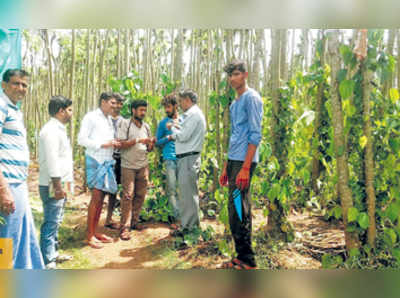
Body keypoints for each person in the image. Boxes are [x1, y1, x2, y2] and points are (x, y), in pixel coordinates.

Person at [219, 60, 263, 270]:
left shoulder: (252, 98)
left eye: (235, 74)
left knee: (239, 207)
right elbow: (235, 135)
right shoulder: (235, 103)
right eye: (229, 75)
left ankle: (248, 259)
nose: (232, 79)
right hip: (235, 160)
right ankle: (240, 255)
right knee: (234, 208)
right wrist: (227, 166)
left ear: (245, 75)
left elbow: (255, 134)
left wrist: (245, 167)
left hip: (245, 161)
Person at [0, 69, 44, 268]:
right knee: (7, 240)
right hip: (7, 183)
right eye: (15, 83)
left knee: (24, 235)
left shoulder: (13, 109)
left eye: (24, 85)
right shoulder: (1, 106)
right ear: (3, 85)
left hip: (18, 183)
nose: (20, 88)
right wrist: (3, 189)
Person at [78, 92, 121, 249]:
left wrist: (113, 144)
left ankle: (95, 232)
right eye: (112, 103)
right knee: (96, 199)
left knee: (101, 199)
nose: (115, 106)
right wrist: (104, 144)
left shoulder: (109, 119)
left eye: (116, 104)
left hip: (107, 161)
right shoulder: (91, 117)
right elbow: (81, 139)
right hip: (95, 161)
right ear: (103, 102)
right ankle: (89, 236)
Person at [38, 95, 74, 269]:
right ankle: (47, 259)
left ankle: (53, 252)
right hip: (52, 183)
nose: (71, 114)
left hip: (59, 182)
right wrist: (58, 186)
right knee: (51, 221)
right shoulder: (50, 131)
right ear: (61, 111)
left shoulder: (58, 129)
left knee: (57, 219)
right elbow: (52, 161)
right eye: (69, 110)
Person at [166, 89, 206, 236]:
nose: (180, 104)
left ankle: (190, 230)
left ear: (188, 100)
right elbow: (182, 126)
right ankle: (188, 227)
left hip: (189, 158)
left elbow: (183, 136)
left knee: (188, 195)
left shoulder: (194, 115)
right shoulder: (190, 115)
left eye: (181, 101)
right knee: (186, 194)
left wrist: (173, 131)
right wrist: (176, 126)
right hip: (186, 158)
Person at [117, 99, 155, 240]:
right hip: (128, 166)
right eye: (141, 110)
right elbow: (120, 144)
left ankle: (134, 221)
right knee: (128, 195)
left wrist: (151, 143)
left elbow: (149, 149)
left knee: (140, 194)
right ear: (133, 110)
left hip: (143, 165)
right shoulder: (125, 124)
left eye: (145, 110)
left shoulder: (146, 126)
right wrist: (138, 140)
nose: (143, 113)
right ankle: (124, 227)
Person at [155, 94, 179, 228]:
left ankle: (185, 217)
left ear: (176, 106)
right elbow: (157, 141)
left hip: (184, 158)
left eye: (169, 107)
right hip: (169, 159)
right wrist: (168, 138)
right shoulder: (163, 123)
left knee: (184, 190)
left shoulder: (183, 120)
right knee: (171, 189)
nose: (166, 110)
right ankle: (176, 219)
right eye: (165, 107)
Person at [104, 92, 125, 230]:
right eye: (115, 103)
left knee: (114, 189)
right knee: (100, 190)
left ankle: (109, 218)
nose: (117, 106)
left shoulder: (124, 121)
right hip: (105, 158)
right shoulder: (104, 120)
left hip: (120, 158)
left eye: (120, 104)